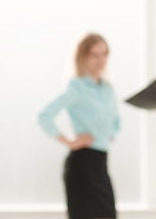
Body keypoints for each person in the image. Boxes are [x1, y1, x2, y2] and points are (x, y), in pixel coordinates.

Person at [38, 33, 120, 219]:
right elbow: (44, 116)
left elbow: (116, 121)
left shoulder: (107, 88)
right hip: (82, 165)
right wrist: (69, 141)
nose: (101, 60)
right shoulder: (76, 87)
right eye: (94, 54)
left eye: (104, 54)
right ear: (82, 57)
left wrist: (108, 133)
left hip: (101, 164)